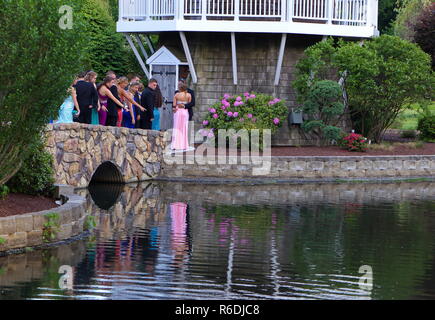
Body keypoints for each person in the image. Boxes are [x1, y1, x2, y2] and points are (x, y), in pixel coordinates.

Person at [171, 82, 191, 151]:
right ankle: (184, 145)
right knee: (184, 128)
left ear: (180, 88)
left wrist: (175, 107)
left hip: (178, 112)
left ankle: (175, 145)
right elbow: (189, 104)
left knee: (176, 127)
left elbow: (174, 106)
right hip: (185, 112)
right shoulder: (188, 95)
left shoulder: (176, 95)